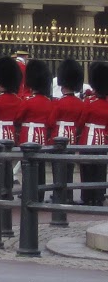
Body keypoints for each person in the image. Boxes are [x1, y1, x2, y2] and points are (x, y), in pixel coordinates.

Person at [50, 58, 86, 208]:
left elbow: (51, 120)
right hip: (72, 135)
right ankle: (69, 194)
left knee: (58, 165)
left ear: (63, 85)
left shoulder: (59, 103)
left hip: (59, 134)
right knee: (70, 166)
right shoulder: (80, 103)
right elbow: (81, 121)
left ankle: (59, 193)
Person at [79, 62, 108, 207]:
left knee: (87, 168)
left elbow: (82, 120)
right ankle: (99, 196)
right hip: (103, 138)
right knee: (100, 168)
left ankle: (87, 196)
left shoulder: (89, 102)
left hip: (88, 137)